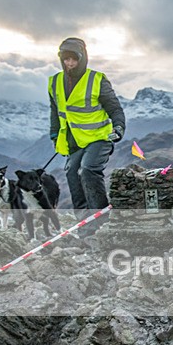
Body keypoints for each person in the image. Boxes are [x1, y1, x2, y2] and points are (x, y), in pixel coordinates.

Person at [49, 37, 125, 237]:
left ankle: (102, 222)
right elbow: (55, 111)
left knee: (88, 170)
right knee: (72, 174)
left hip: (100, 137)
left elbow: (115, 108)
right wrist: (54, 133)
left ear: (82, 59)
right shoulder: (54, 82)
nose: (70, 64)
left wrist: (119, 127)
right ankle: (85, 227)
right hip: (74, 141)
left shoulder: (97, 80)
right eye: (66, 60)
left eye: (74, 59)